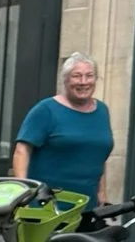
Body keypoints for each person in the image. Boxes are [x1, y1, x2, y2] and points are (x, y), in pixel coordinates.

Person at [11, 53, 114, 203]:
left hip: (87, 203)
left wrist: (101, 194)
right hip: (47, 204)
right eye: (76, 76)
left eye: (89, 76)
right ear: (65, 80)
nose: (83, 82)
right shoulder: (46, 110)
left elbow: (98, 155)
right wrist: (23, 191)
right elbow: (22, 151)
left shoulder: (102, 111)